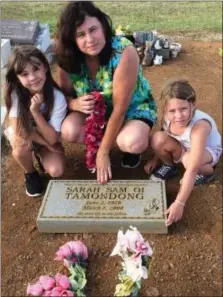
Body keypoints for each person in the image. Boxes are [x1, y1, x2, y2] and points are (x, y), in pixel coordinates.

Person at [55, 1, 157, 184]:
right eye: (80, 34)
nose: (90, 39)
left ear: (103, 26)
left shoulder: (123, 51)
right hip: (95, 114)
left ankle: (128, 148)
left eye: (93, 29)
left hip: (131, 110)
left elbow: (120, 109)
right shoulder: (67, 58)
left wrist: (102, 152)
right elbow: (64, 96)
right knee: (69, 130)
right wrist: (73, 103)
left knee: (131, 141)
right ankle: (105, 139)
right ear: (72, 39)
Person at [144, 79, 222, 226]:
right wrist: (156, 159)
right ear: (165, 110)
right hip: (184, 146)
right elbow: (164, 134)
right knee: (157, 139)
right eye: (172, 111)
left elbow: (192, 167)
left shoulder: (200, 127)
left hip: (206, 150)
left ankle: (207, 173)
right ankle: (170, 166)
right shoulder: (168, 118)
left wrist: (179, 203)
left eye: (183, 109)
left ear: (193, 105)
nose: (178, 115)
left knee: (189, 161)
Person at [4, 45, 67, 197]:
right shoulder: (15, 94)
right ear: (17, 78)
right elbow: (20, 130)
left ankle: (41, 153)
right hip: (25, 134)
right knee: (21, 144)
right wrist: (45, 144)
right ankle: (30, 173)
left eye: (35, 69)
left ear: (45, 67)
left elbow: (52, 138)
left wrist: (35, 112)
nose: (32, 77)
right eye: (24, 74)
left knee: (56, 170)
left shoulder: (57, 96)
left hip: (46, 135)